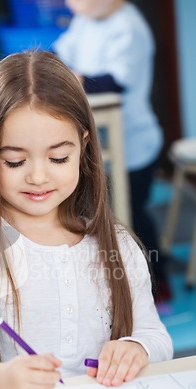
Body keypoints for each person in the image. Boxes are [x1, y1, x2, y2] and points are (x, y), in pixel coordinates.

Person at [0, 50, 173, 389]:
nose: (37, 176)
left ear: (83, 147)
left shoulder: (115, 244)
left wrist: (135, 347)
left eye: (58, 158)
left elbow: (156, 337)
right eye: (15, 161)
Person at [53, 0, 171, 303]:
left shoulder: (128, 27)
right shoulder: (85, 21)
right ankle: (116, 286)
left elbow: (114, 82)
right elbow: (59, 55)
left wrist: (73, 80)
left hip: (133, 146)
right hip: (101, 145)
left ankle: (158, 285)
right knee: (103, 214)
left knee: (132, 219)